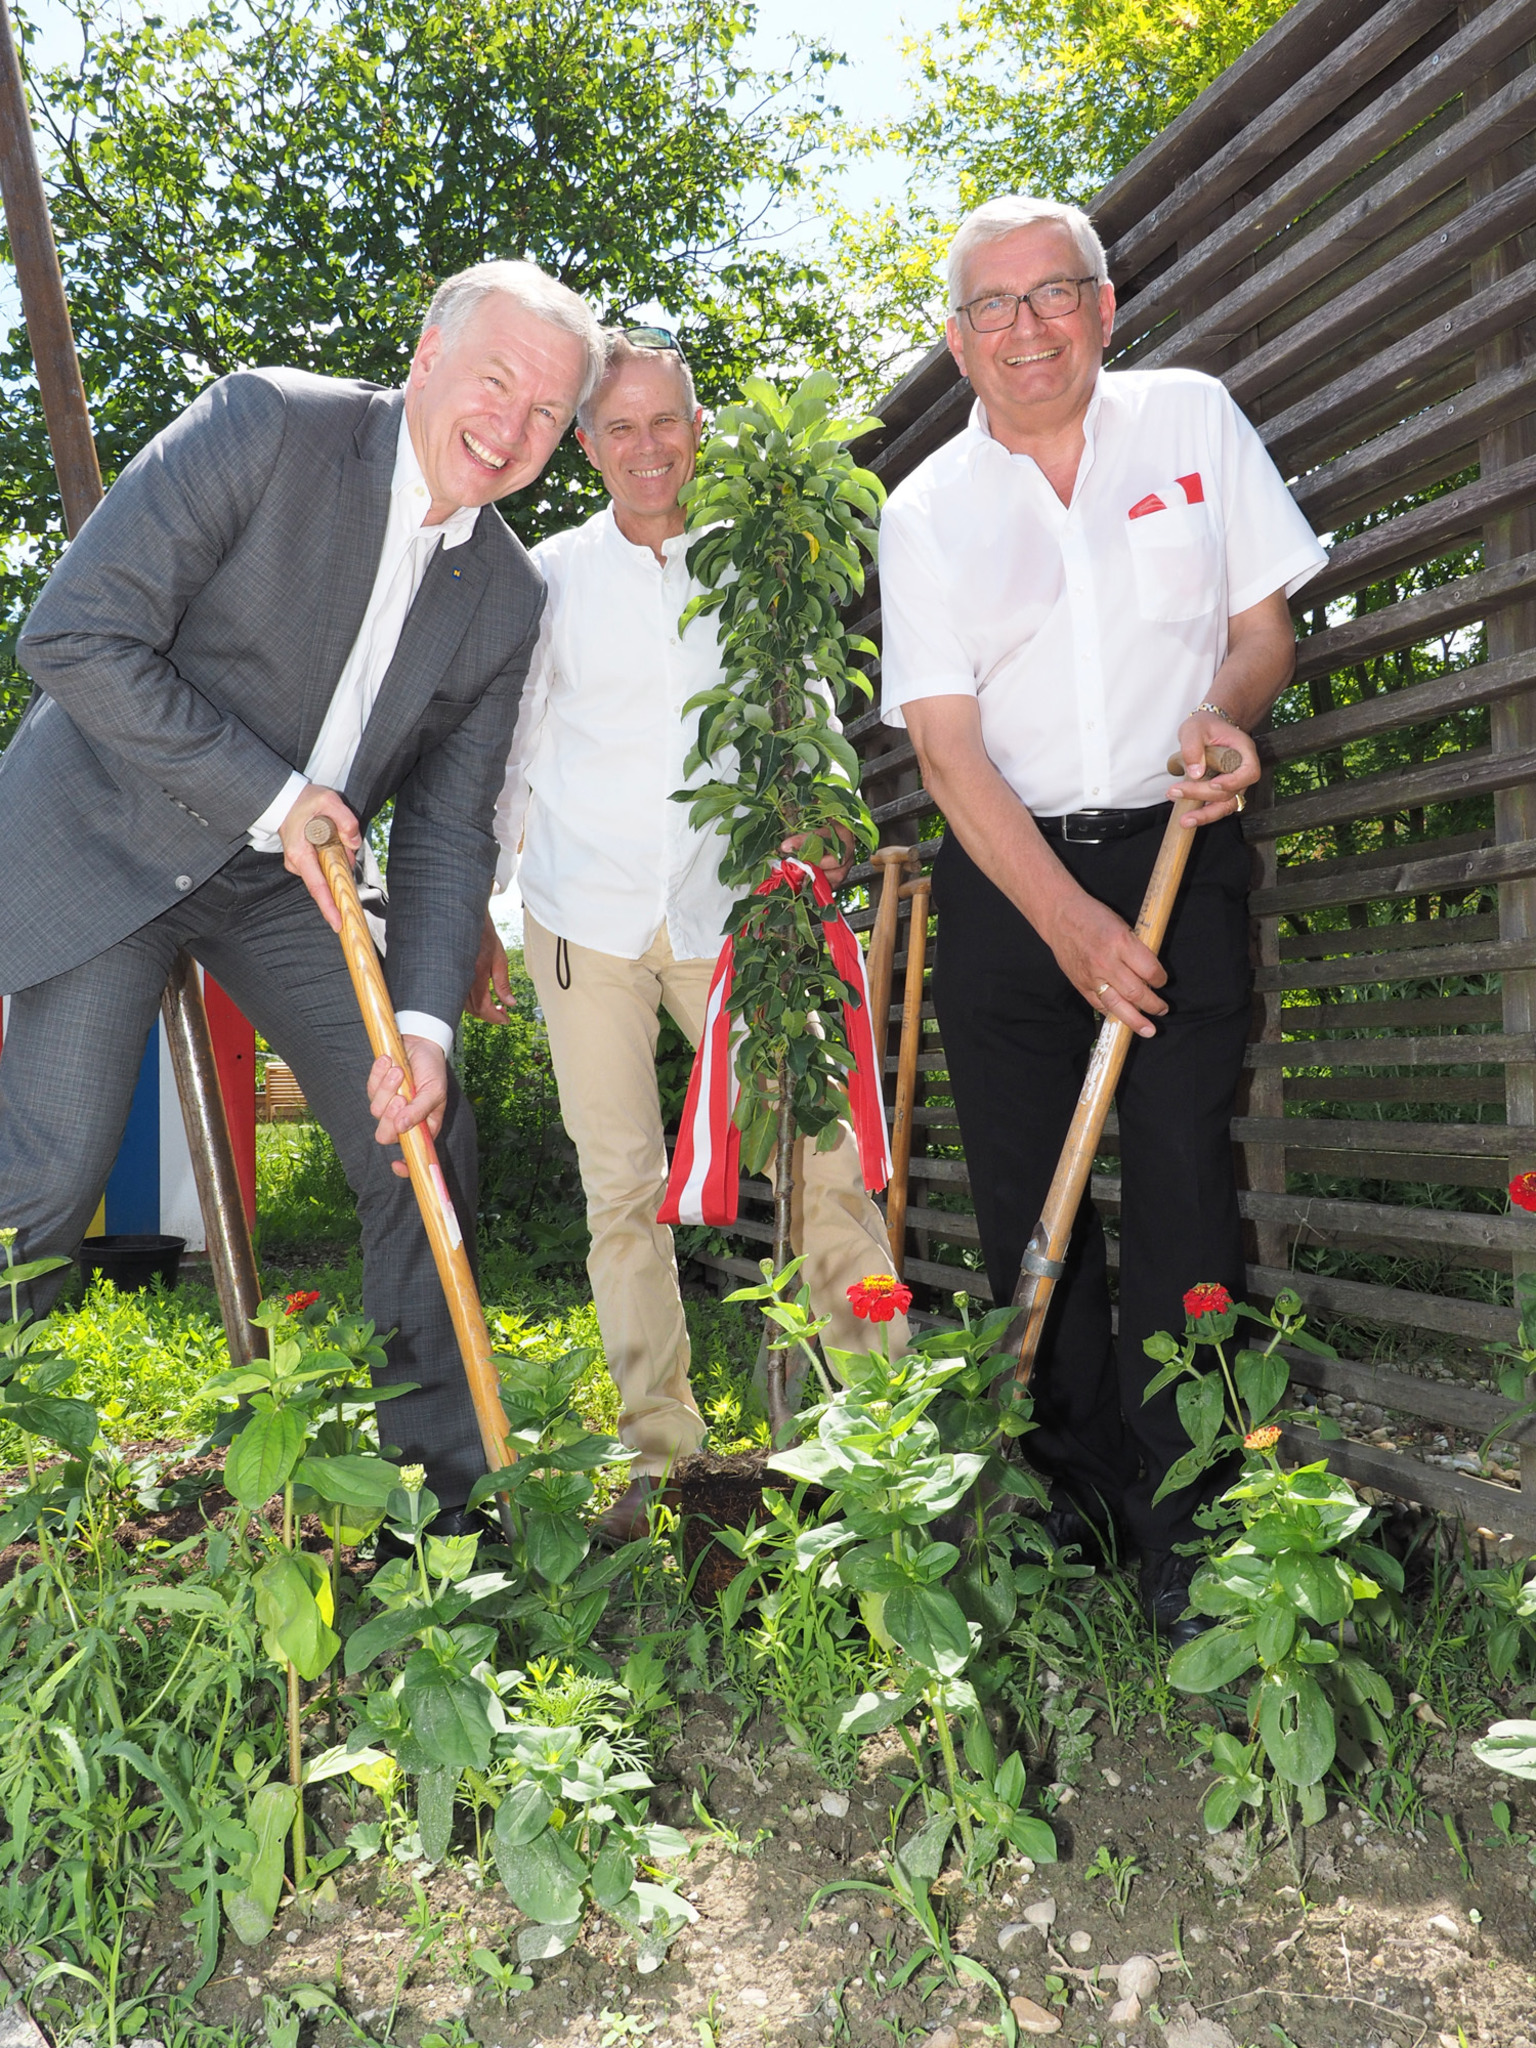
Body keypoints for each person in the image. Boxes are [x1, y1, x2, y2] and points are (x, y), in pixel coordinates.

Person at [0, 260, 603, 1526]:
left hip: (286, 878)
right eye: (496, 377)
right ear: (426, 352)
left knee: (419, 1140)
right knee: (50, 1175)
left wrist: (426, 1033)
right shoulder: (268, 422)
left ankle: (438, 1517)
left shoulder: (507, 594)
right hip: (110, 826)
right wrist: (277, 798)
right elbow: (71, 634)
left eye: (549, 412)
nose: (513, 423)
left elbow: (447, 832)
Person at [877, 194, 1327, 1646]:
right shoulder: (928, 509)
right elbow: (947, 753)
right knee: (1031, 1204)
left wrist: (1227, 710)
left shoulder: (1194, 422)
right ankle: (1071, 1521)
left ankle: (1193, 1530)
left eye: (1052, 293)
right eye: (992, 307)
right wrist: (1071, 926)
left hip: (1178, 849)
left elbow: (1264, 631)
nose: (1027, 327)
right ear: (957, 341)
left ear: (1105, 304)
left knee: (1186, 1181)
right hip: (1013, 885)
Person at [481, 328, 906, 1543]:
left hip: (742, 923)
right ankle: (659, 1454)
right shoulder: (547, 575)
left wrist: (824, 816)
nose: (646, 447)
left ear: (700, 429)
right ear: (584, 444)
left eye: (666, 422)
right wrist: (482, 910)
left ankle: (872, 1428)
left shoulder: (758, 566)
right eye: (618, 428)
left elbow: (812, 714)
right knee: (620, 1186)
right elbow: (509, 751)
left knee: (826, 1158)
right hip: (585, 917)